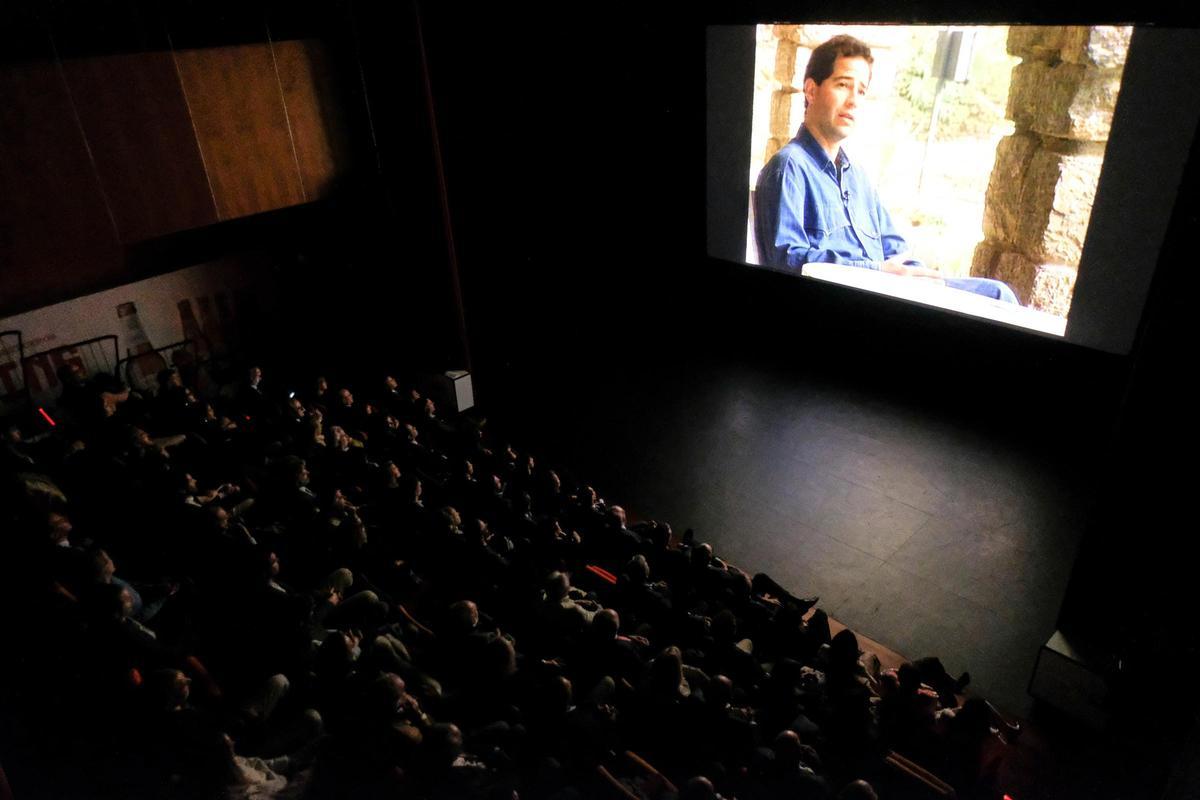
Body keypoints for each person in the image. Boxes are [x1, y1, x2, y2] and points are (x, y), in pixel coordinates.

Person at [753, 34, 1019, 303]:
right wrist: (877, 270)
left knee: (999, 296)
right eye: (843, 85)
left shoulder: (857, 178)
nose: (854, 100)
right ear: (811, 91)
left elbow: (896, 252)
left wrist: (928, 279)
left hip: (892, 291)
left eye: (861, 90)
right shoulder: (789, 168)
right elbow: (787, 261)